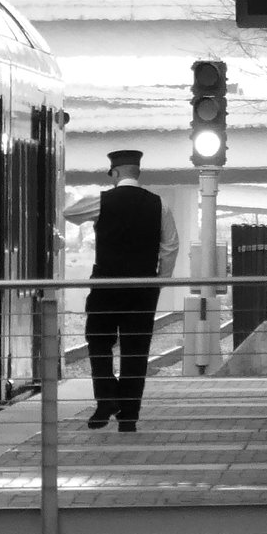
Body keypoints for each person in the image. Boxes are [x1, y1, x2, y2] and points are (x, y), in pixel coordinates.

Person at [85, 149, 179, 432]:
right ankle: (129, 417)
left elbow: (68, 212)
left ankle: (107, 398)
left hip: (105, 285)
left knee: (98, 341)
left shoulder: (100, 202)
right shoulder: (159, 204)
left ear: (114, 173)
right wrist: (159, 281)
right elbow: (170, 246)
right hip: (142, 288)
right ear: (138, 172)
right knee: (136, 350)